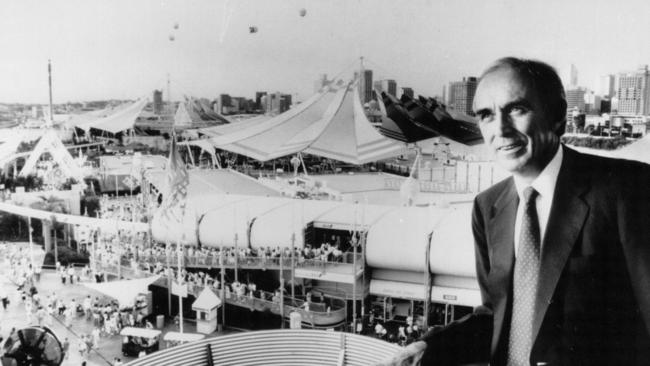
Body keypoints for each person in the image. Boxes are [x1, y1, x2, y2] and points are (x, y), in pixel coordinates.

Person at [380, 57, 650, 366]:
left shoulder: (627, 189)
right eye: (486, 115)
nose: (500, 129)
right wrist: (431, 347)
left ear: (557, 116)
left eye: (517, 109)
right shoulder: (488, 207)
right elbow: (497, 316)